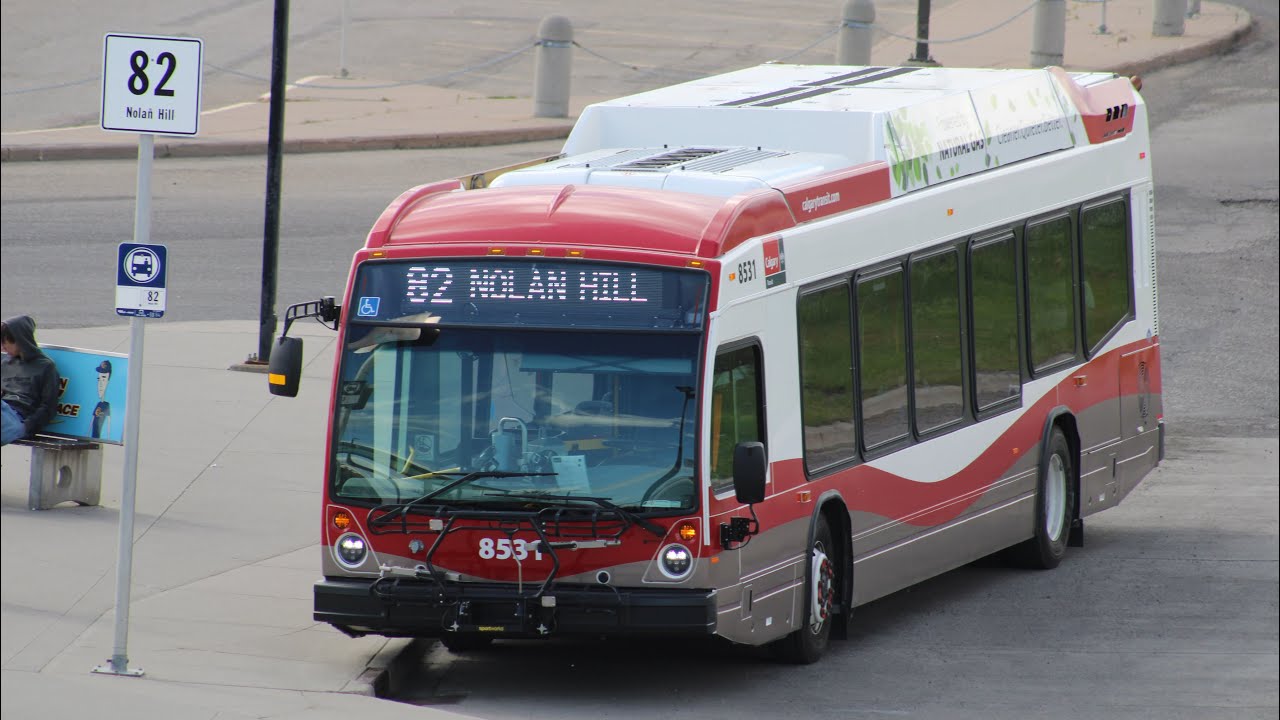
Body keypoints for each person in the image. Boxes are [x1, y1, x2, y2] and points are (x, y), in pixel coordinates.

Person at [1, 316, 60, 445]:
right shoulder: (4, 364)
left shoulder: (45, 366)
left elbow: (48, 407)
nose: (3, 348)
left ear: (19, 340)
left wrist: (26, 427)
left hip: (17, 418)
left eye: (5, 342)